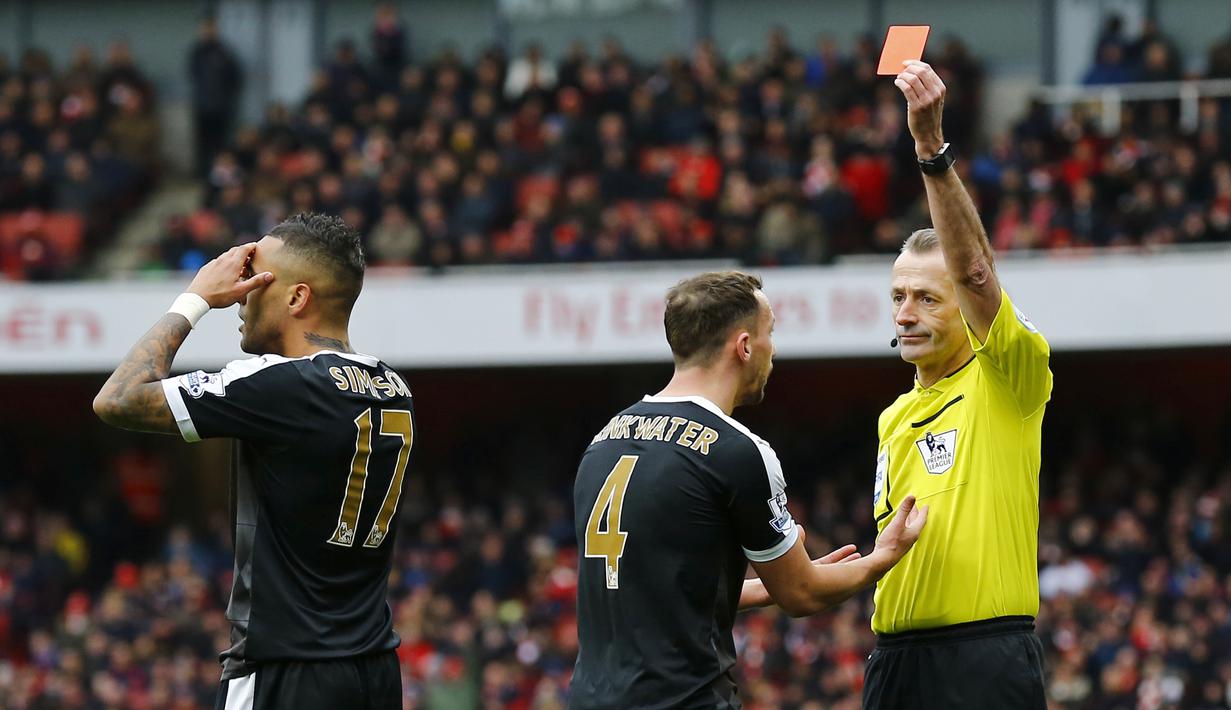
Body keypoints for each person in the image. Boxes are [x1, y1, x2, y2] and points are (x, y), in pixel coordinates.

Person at [93, 213, 410, 710]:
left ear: (296, 298)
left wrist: (194, 300)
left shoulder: (284, 387)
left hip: (286, 672)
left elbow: (117, 400)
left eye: (254, 279)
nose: (239, 293)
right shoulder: (395, 389)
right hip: (375, 670)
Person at [569, 271, 928, 709]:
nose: (772, 349)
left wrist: (770, 582)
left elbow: (660, 587)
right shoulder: (736, 450)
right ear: (743, 347)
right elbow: (804, 594)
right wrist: (882, 557)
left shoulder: (604, 440)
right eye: (769, 333)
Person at [862, 60, 1053, 709]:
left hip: (983, 659)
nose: (905, 312)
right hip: (892, 661)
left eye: (924, 297)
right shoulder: (893, 416)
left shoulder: (1008, 378)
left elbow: (973, 272)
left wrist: (929, 152)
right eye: (896, 297)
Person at [188, 16, 243, 178]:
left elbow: (236, 77)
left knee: (220, 143)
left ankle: (220, 172)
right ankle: (203, 173)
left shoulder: (224, 52)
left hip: (221, 107)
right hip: (202, 106)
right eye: (205, 29)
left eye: (211, 29)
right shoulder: (197, 52)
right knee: (202, 143)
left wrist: (227, 97)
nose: (208, 32)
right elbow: (192, 75)